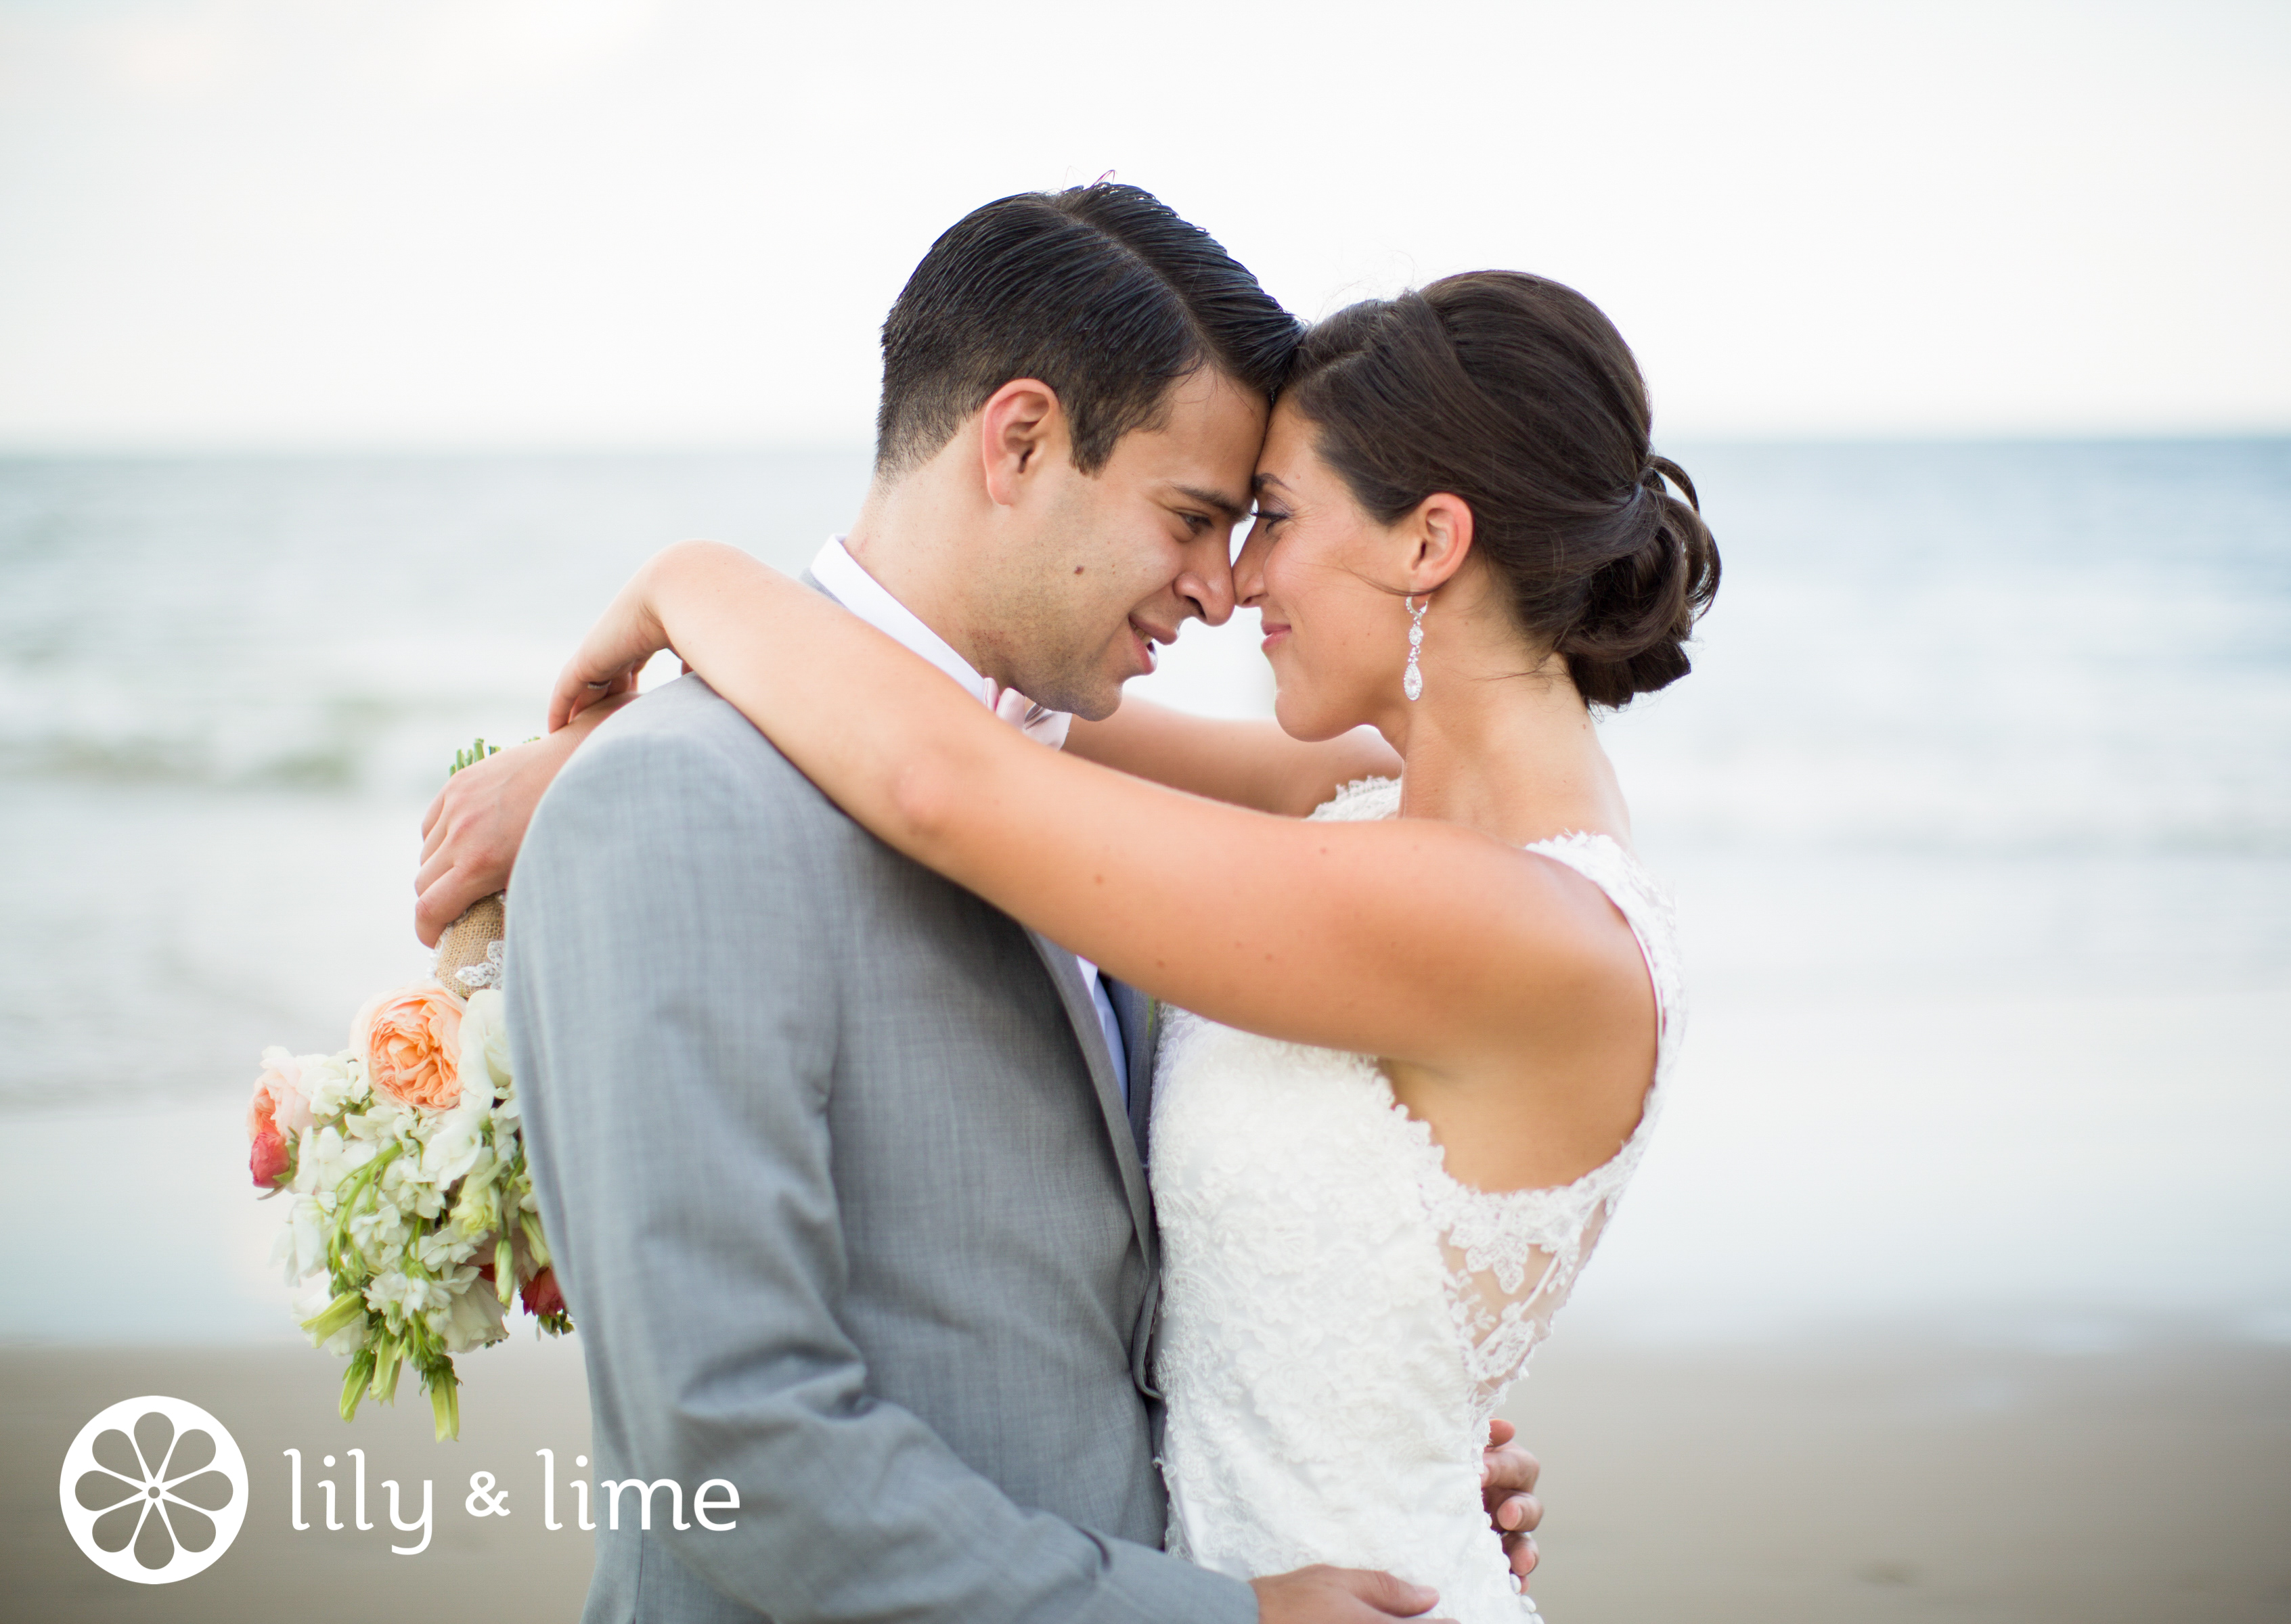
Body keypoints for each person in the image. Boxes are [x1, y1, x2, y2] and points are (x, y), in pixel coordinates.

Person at [418, 183, 1549, 1624]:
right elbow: (727, 1445)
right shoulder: (676, 802)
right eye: (1194, 517)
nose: (1221, 589)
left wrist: (1358, 1461)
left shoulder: (1074, 796)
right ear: (1018, 443)